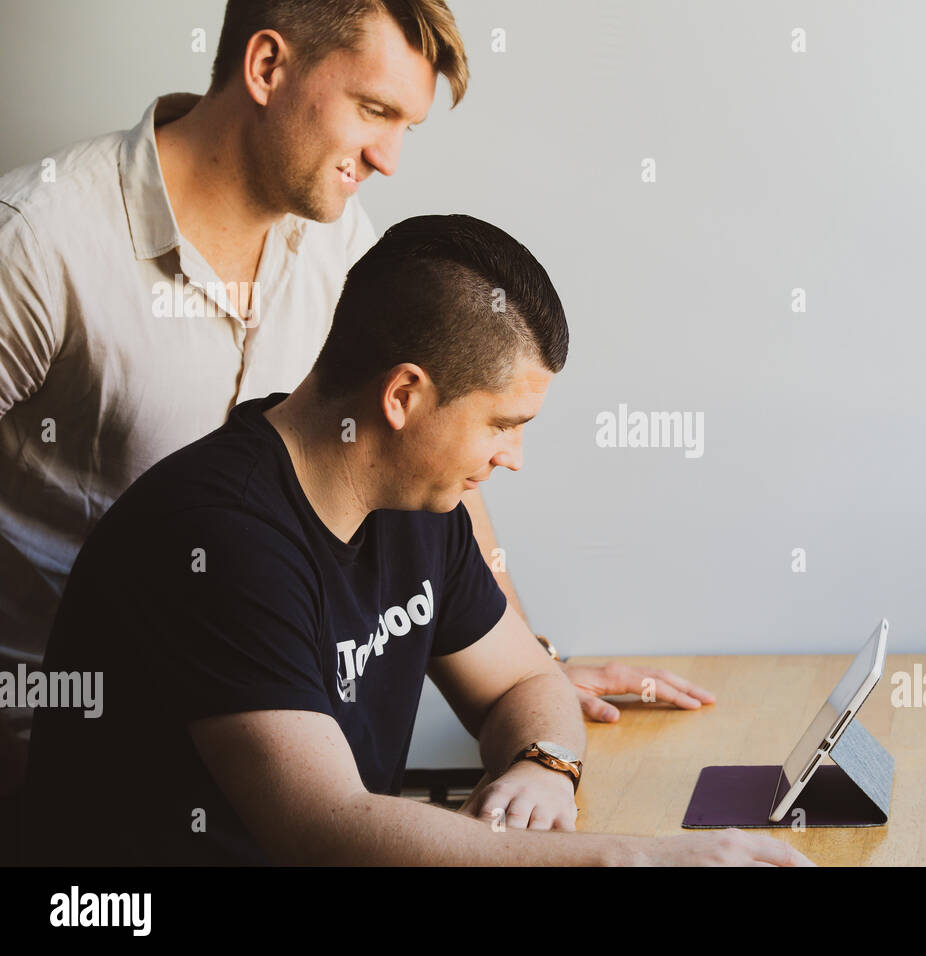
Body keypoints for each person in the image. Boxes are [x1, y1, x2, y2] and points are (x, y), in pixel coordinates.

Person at [0, 0, 710, 806]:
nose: (389, 157)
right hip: (63, 777)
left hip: (260, 758)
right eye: (375, 111)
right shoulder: (37, 242)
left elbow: (430, 464)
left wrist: (527, 673)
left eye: (408, 124)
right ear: (267, 67)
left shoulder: (339, 243)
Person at [21, 215, 810, 866]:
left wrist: (545, 765)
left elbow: (523, 684)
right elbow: (324, 827)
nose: (514, 456)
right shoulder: (217, 537)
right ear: (403, 396)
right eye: (502, 424)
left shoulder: (423, 508)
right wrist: (640, 858)